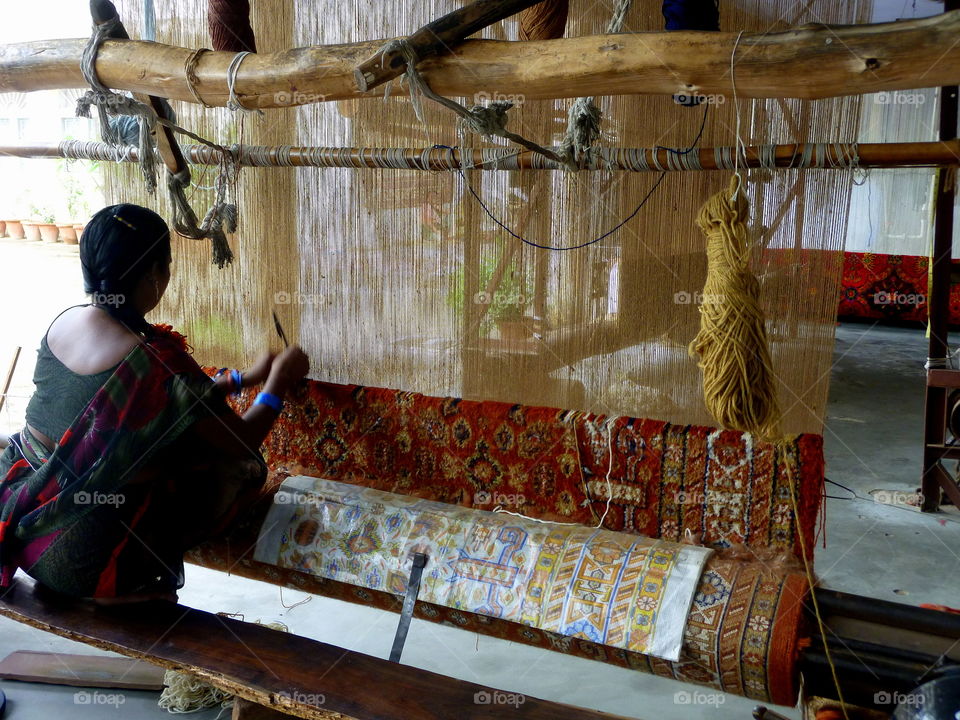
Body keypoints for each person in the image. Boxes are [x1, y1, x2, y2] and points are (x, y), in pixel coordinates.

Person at [0, 204, 309, 603]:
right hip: (87, 565)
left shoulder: (64, 323)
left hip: (21, 532)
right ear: (154, 276)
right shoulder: (158, 362)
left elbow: (153, 397)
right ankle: (138, 581)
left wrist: (240, 380)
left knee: (148, 444)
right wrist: (279, 381)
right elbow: (244, 438)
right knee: (237, 467)